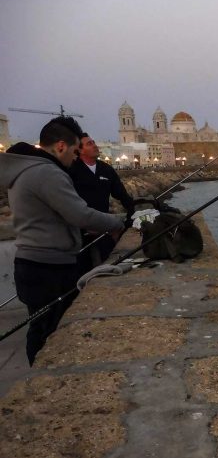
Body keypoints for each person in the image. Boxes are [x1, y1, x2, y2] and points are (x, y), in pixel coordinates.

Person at [0, 116, 125, 364]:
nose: (75, 158)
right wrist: (117, 222)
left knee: (41, 328)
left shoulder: (25, 169)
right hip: (49, 269)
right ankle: (41, 381)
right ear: (60, 146)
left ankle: (39, 378)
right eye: (75, 151)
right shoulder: (46, 172)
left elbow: (51, 216)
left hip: (32, 264)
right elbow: (79, 213)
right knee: (48, 332)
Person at [69, 132, 135, 273]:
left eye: (94, 142)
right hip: (80, 232)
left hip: (103, 227)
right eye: (89, 144)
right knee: (82, 269)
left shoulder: (106, 169)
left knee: (108, 263)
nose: (95, 146)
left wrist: (134, 212)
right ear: (79, 150)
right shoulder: (72, 171)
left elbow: (121, 195)